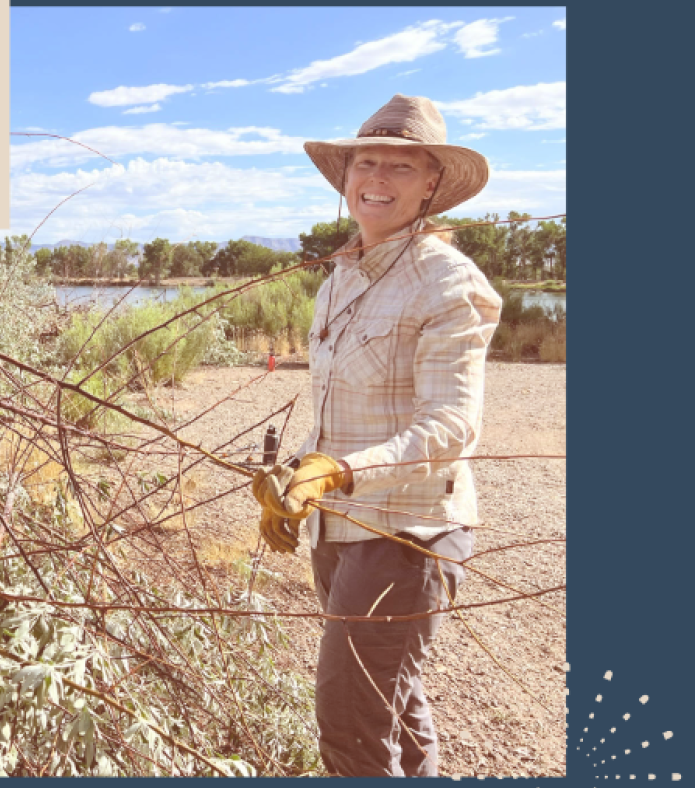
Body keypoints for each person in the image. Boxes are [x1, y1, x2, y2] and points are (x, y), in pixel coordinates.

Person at [251, 95, 502, 777]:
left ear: (432, 185)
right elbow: (341, 413)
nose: (379, 177)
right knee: (391, 700)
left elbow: (451, 428)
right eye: (367, 161)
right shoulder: (341, 276)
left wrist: (338, 473)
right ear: (346, 176)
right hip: (339, 527)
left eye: (402, 165)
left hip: (407, 534)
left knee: (350, 721)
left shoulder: (448, 282)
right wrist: (299, 479)